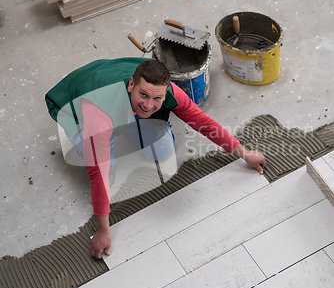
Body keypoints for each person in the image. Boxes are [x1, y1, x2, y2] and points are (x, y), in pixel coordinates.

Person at [46, 57, 266, 259]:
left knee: (161, 149)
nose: (149, 105)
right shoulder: (100, 114)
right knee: (106, 161)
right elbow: (98, 173)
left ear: (166, 91)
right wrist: (103, 230)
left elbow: (203, 122)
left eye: (157, 98)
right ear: (131, 85)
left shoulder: (169, 92)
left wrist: (244, 153)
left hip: (116, 87)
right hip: (77, 101)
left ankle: (129, 120)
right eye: (143, 95)